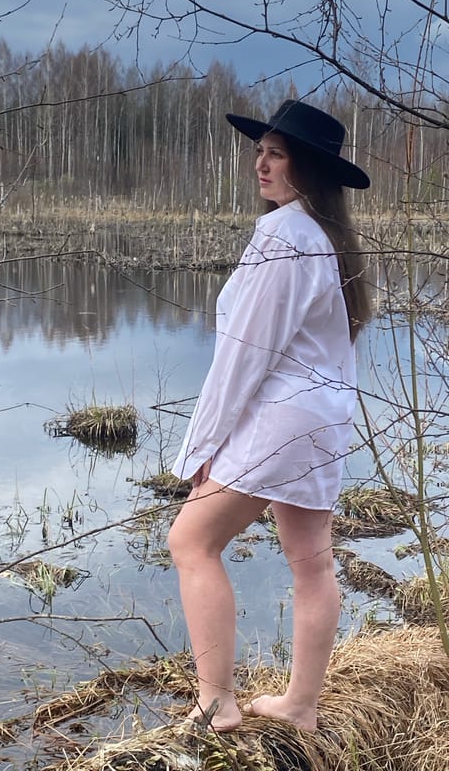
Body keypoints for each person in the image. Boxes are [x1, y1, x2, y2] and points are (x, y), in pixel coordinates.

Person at [168, 99, 370, 733]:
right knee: (312, 562)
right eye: (259, 150)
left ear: (306, 167)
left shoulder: (284, 236)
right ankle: (300, 707)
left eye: (275, 152)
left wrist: (199, 447)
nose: (260, 161)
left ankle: (215, 701)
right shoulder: (325, 238)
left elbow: (243, 358)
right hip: (322, 420)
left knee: (191, 542)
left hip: (279, 420)